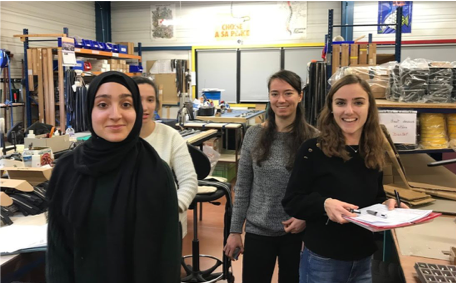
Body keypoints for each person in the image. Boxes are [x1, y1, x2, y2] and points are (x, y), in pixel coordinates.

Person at [46, 71, 181, 283]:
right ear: (89, 110)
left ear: (136, 111)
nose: (115, 114)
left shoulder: (155, 172)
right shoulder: (67, 170)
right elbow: (58, 252)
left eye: (126, 104)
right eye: (102, 105)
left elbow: (168, 256)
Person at [282, 74, 408, 283]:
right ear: (331, 108)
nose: (349, 111)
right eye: (341, 103)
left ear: (369, 107)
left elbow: (373, 198)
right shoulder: (313, 149)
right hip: (324, 260)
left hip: (364, 258)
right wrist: (324, 204)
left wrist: (387, 205)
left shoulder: (374, 150)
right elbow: (292, 201)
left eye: (358, 102)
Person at [224, 70, 318, 282]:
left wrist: (306, 217)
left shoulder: (314, 139)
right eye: (275, 94)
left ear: (300, 95)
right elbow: (243, 185)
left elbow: (319, 189)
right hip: (259, 230)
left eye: (288, 93)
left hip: (298, 233)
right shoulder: (254, 135)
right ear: (269, 97)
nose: (281, 99)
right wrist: (235, 230)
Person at [132, 76, 197, 237]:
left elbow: (189, 182)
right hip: (128, 228)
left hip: (166, 226)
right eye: (138, 100)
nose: (145, 107)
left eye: (150, 100)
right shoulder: (119, 137)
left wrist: (173, 209)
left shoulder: (170, 136)